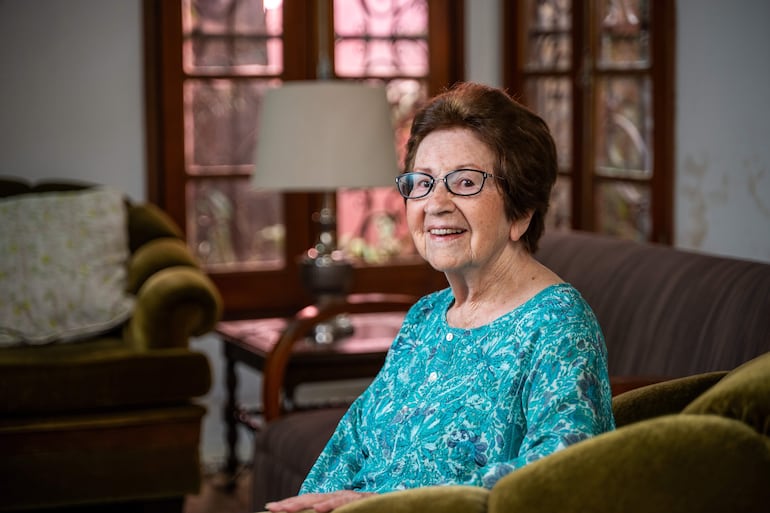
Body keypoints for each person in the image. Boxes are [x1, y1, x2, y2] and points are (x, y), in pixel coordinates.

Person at [266, 82, 615, 513]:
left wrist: (385, 504)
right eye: (423, 183)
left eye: (465, 182)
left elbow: (562, 473)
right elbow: (353, 443)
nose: (436, 204)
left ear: (521, 211)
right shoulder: (425, 317)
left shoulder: (558, 323)